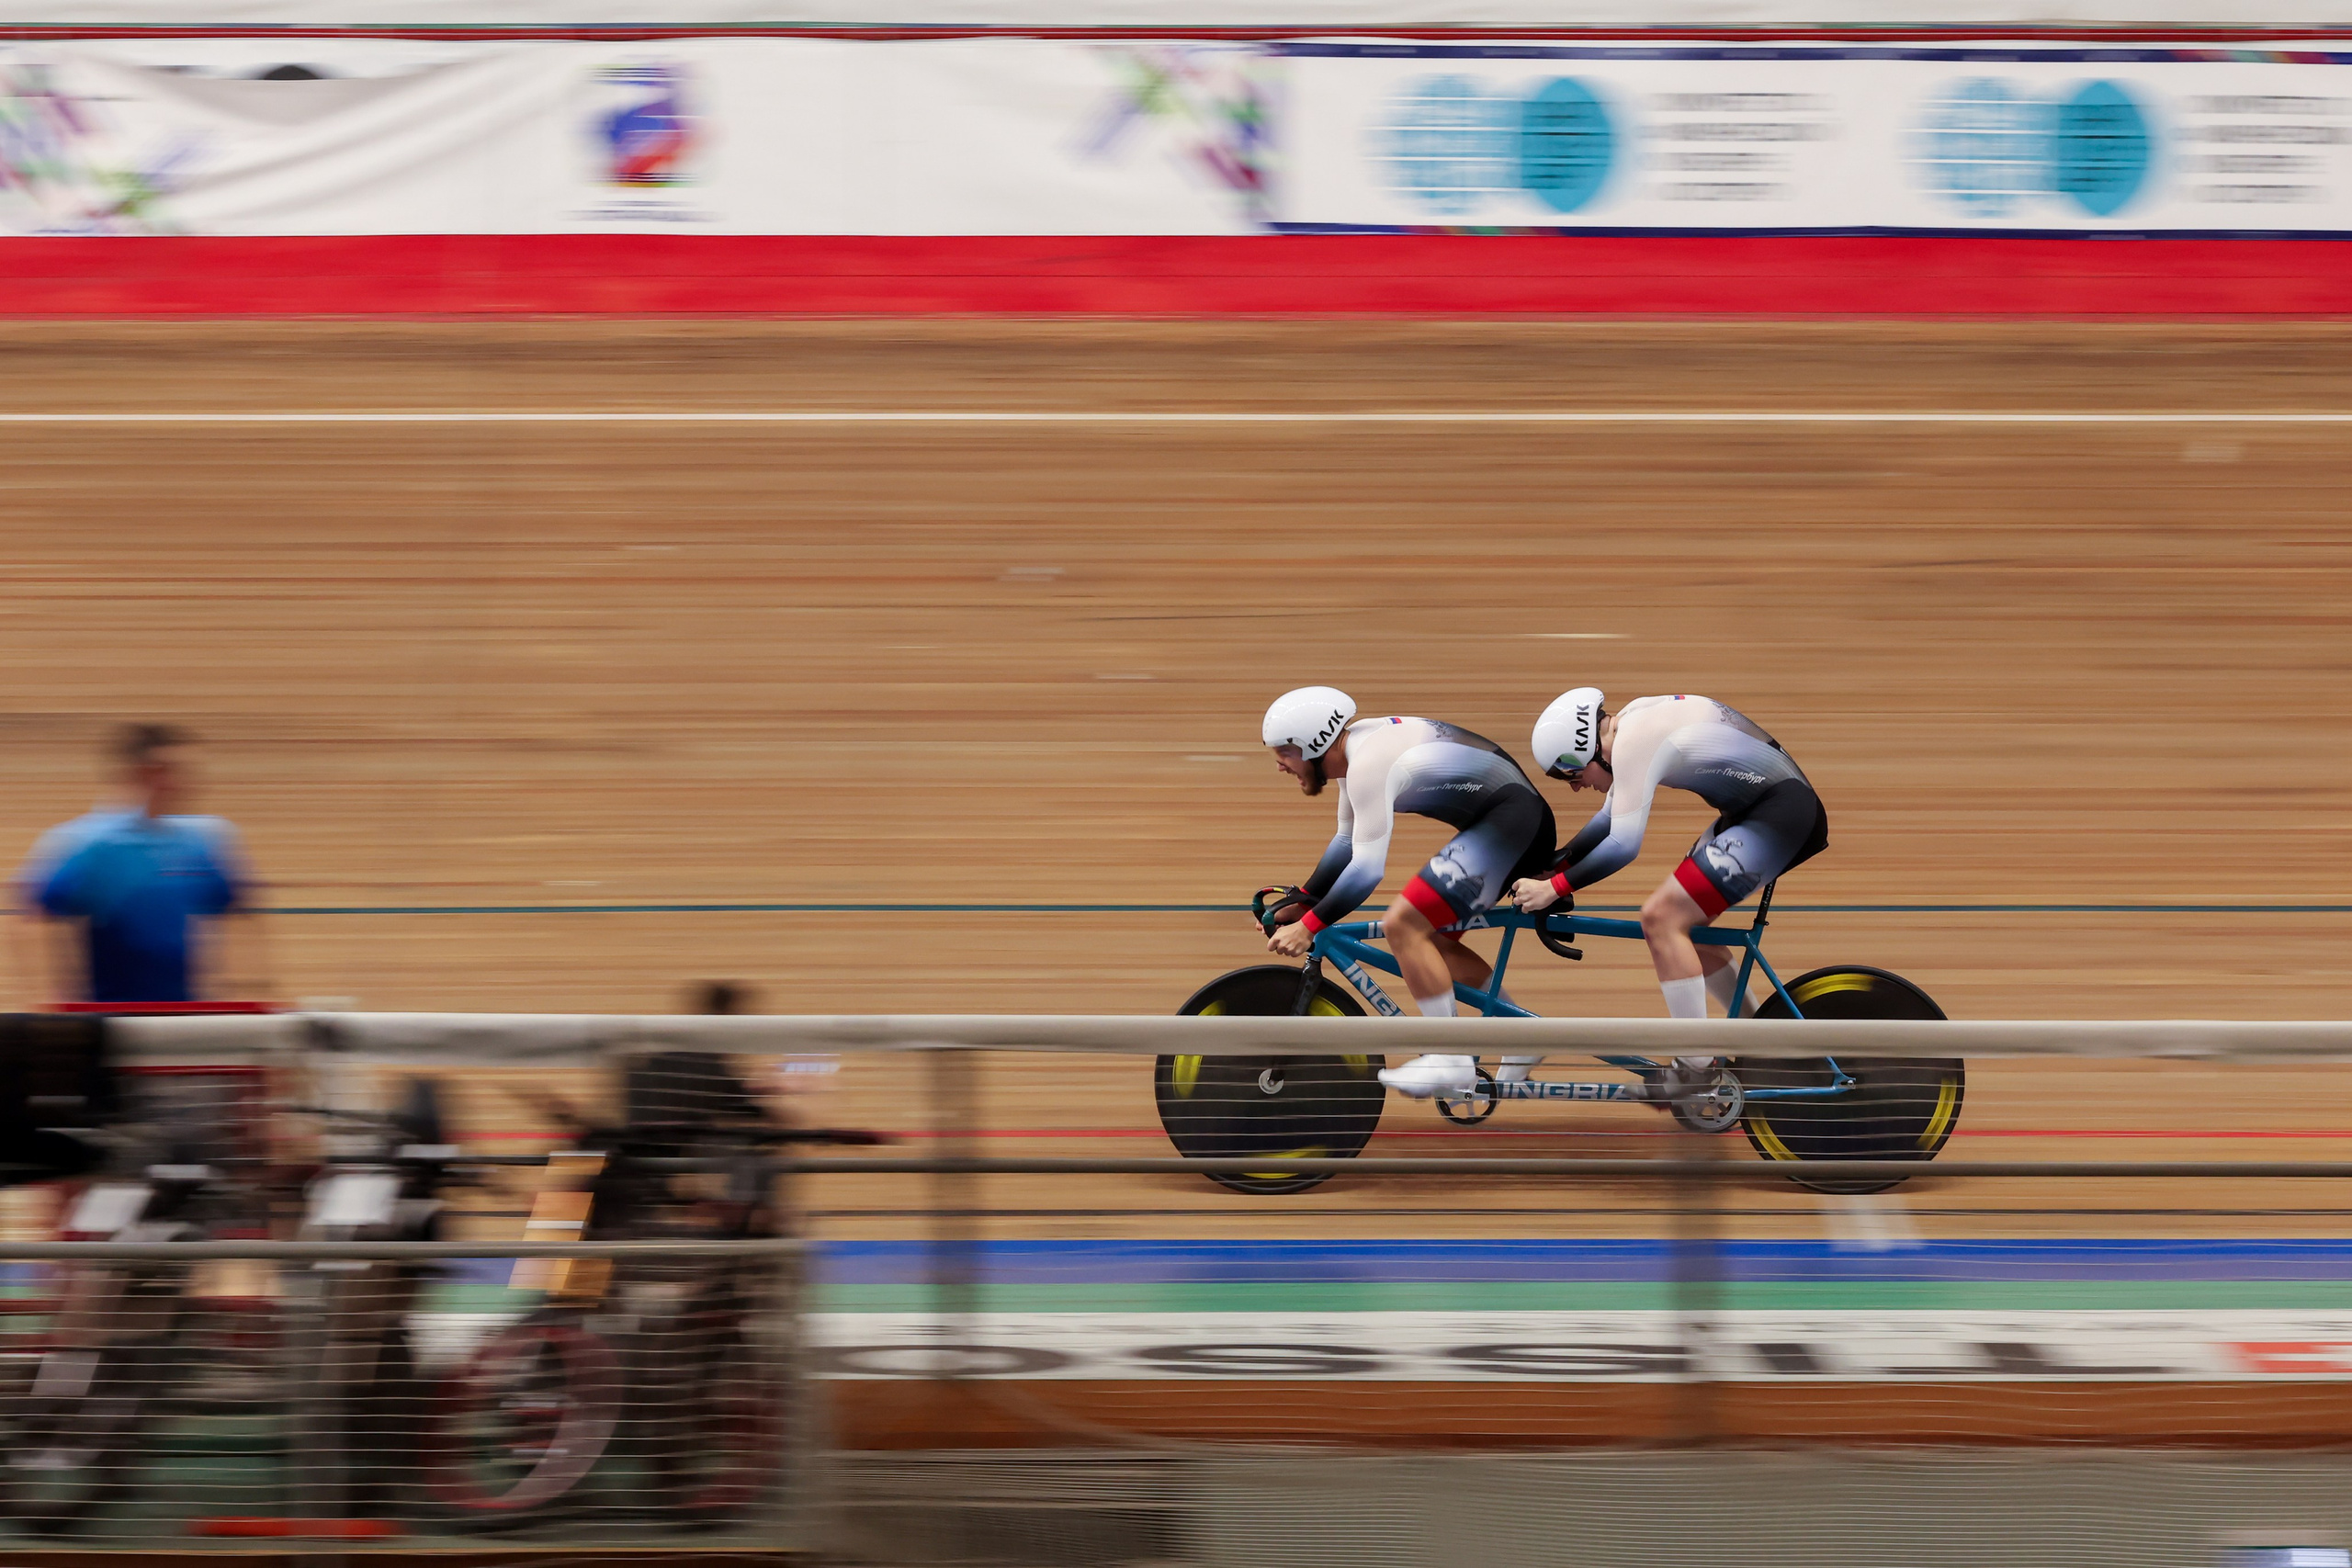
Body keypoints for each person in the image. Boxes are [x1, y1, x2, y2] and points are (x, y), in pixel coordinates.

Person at [1510, 688, 1827, 1094]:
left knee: (1661, 919)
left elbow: (1624, 845)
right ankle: (1760, 1042)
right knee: (1687, 933)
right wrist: (1560, 862)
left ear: (1586, 754)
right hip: (1757, 811)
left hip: (1780, 815)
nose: (1575, 788)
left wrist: (1554, 888)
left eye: (1572, 777)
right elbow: (1610, 816)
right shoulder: (1630, 723)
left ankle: (1696, 1067)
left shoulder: (1634, 741)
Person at [1259, 687, 1555, 1099]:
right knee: (1432, 943)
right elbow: (1346, 842)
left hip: (1514, 822)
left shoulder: (1368, 764)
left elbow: (1366, 870)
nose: (1279, 765)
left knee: (1402, 924)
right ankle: (1521, 1035)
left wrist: (1310, 925)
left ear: (1314, 744)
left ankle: (1450, 1059)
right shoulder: (1353, 755)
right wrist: (1305, 896)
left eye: (1284, 753)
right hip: (1509, 819)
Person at [16, 724, 263, 1007]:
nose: (191, 782)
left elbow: (239, 912)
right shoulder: (86, 843)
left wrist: (250, 992)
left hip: (184, 1014)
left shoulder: (200, 841)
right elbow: (34, 920)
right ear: (149, 772)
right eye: (180, 771)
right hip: (110, 1017)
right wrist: (52, 1004)